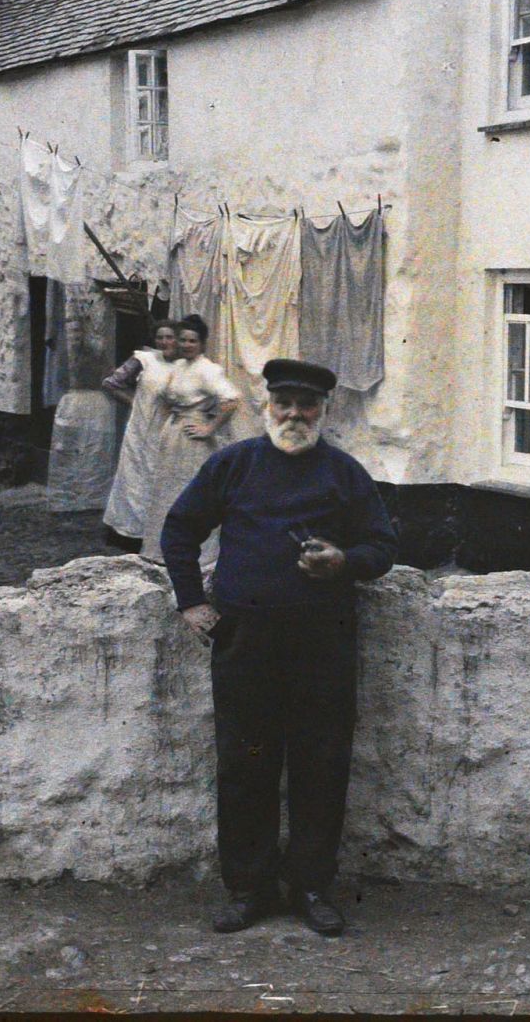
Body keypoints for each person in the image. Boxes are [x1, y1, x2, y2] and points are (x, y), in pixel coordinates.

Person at [161, 357, 397, 939]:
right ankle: (250, 889)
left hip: (323, 640)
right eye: (284, 403)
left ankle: (311, 887)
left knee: (321, 762)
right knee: (246, 763)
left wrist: (344, 560)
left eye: (306, 405)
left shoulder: (344, 473)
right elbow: (180, 530)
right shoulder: (233, 464)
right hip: (245, 639)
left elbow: (382, 546)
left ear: (323, 411)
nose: (295, 415)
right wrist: (191, 602)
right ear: (267, 405)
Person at [136, 315, 241, 572]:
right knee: (166, 491)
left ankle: (197, 554)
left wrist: (209, 427)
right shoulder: (180, 365)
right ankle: (162, 550)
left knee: (188, 491)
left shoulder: (208, 369)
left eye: (192, 341)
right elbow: (165, 397)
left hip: (193, 441)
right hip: (174, 436)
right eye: (182, 340)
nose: (186, 345)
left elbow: (231, 399)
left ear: (202, 343)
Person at [98, 320, 180, 549]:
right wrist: (135, 402)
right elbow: (111, 383)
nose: (164, 342)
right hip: (141, 431)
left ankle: (159, 533)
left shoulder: (185, 365)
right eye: (160, 337)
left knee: (162, 480)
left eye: (169, 337)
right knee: (136, 480)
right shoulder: (145, 359)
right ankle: (129, 534)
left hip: (168, 432)